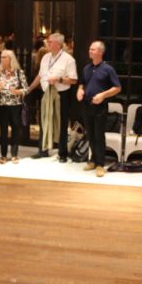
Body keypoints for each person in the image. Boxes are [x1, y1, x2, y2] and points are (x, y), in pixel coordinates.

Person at [27, 33, 78, 162]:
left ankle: (62, 153)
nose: (47, 43)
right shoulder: (45, 57)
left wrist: (59, 79)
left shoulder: (68, 59)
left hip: (61, 95)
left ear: (58, 44)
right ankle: (42, 150)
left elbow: (73, 80)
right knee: (43, 121)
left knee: (61, 123)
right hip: (46, 93)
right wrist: (30, 88)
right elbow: (40, 75)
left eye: (50, 42)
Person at [76, 41, 121, 177]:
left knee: (99, 135)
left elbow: (117, 88)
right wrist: (79, 90)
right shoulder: (86, 68)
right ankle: (93, 160)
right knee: (90, 134)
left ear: (100, 52)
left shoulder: (108, 69)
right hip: (86, 105)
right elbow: (82, 84)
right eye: (90, 49)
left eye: (93, 49)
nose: (90, 51)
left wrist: (103, 95)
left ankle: (100, 163)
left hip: (100, 107)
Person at [0, 50, 28, 164]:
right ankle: (3, 155)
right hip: (2, 105)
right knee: (3, 130)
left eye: (4, 57)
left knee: (16, 128)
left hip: (15, 105)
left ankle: (14, 154)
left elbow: (26, 89)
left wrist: (16, 91)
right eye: (1, 57)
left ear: (11, 59)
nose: (2, 59)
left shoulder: (19, 72)